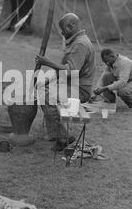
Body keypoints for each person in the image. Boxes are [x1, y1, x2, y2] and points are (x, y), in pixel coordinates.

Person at [35, 13, 96, 150]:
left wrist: (47, 62)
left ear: (71, 25)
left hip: (80, 90)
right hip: (70, 85)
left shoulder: (81, 44)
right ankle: (55, 133)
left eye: (63, 29)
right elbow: (63, 71)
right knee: (42, 90)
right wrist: (47, 80)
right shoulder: (76, 42)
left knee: (47, 97)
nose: (62, 33)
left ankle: (63, 138)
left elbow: (70, 71)